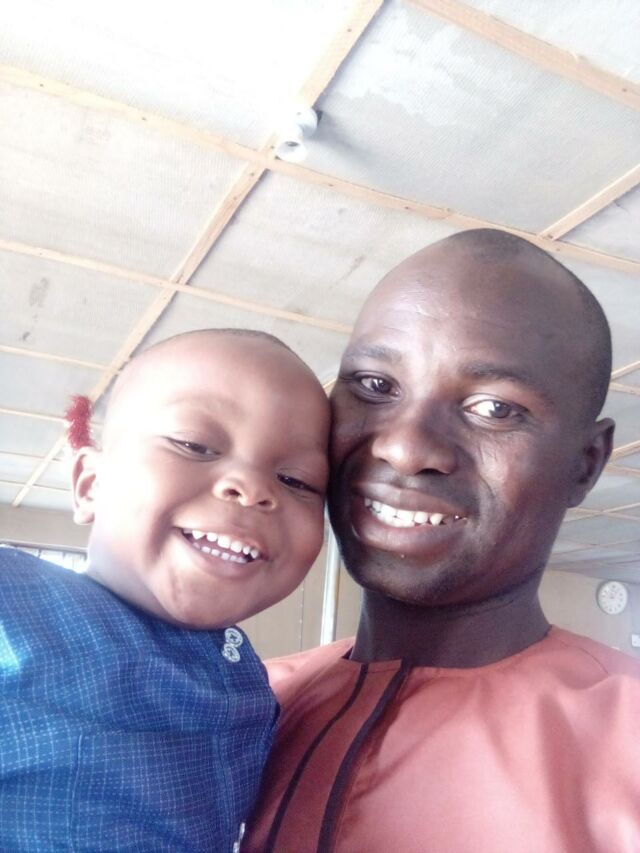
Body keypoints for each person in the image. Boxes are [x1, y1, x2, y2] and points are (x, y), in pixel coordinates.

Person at [244, 230, 640, 852]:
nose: (404, 447)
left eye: (494, 408)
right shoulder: (242, 707)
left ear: (585, 464)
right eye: (376, 385)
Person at [0, 329, 330, 853]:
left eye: (297, 480)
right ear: (90, 484)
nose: (252, 488)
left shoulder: (253, 691)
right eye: (194, 445)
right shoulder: (15, 602)